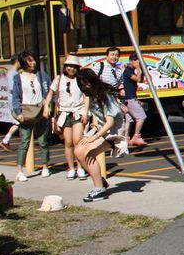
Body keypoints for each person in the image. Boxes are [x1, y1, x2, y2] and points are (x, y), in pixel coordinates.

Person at [74, 68, 127, 202]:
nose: (85, 87)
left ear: (92, 81)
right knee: (78, 151)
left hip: (114, 132)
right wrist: (85, 113)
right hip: (102, 130)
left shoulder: (105, 95)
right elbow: (86, 98)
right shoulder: (90, 93)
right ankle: (100, 181)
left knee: (89, 154)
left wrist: (94, 137)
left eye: (86, 83)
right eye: (81, 85)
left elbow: (110, 123)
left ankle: (99, 189)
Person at [43, 55, 88, 179]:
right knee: (68, 142)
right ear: (65, 67)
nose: (71, 69)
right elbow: (51, 93)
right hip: (64, 113)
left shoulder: (81, 79)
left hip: (78, 112)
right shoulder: (59, 79)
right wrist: (46, 106)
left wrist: (85, 112)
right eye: (69, 66)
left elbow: (86, 96)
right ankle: (71, 168)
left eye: (74, 67)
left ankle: (80, 168)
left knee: (77, 140)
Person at [10, 50, 51, 182]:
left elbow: (49, 92)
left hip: (40, 111)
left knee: (43, 141)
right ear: (23, 63)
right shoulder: (18, 77)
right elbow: (15, 97)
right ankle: (20, 170)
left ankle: (45, 166)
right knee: (24, 141)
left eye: (33, 60)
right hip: (26, 112)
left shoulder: (41, 75)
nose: (33, 63)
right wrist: (18, 112)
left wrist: (47, 104)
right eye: (29, 60)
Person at [121, 54, 148, 147]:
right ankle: (136, 137)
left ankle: (125, 138)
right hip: (130, 98)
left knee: (129, 120)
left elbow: (141, 80)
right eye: (136, 61)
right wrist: (138, 69)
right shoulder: (128, 70)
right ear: (132, 61)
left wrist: (142, 70)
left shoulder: (130, 70)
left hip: (129, 98)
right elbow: (138, 79)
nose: (138, 63)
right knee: (141, 117)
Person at [0, 54, 21, 151]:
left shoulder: (12, 72)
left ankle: (6, 140)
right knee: (20, 123)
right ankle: (5, 141)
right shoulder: (13, 73)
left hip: (13, 102)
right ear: (17, 61)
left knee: (18, 123)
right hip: (15, 103)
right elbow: (13, 89)